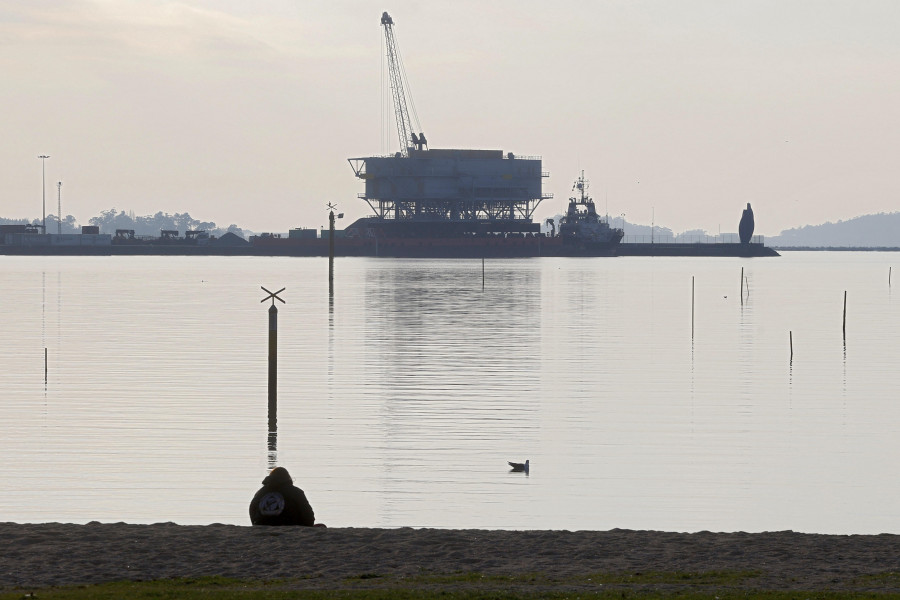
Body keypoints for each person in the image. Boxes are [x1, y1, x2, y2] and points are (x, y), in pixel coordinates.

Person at [249, 466, 316, 526]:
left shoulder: (261, 492)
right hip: (290, 524)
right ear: (288, 478)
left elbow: (252, 509)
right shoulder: (296, 492)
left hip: (261, 524)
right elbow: (308, 516)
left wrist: (256, 525)